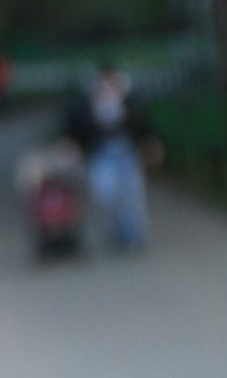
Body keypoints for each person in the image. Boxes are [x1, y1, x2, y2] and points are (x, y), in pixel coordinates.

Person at [63, 62, 160, 250]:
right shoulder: (86, 105)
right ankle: (114, 231)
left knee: (131, 197)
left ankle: (133, 235)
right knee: (104, 194)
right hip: (101, 156)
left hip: (128, 154)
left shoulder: (129, 102)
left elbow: (144, 126)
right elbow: (74, 129)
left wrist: (150, 144)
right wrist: (72, 146)